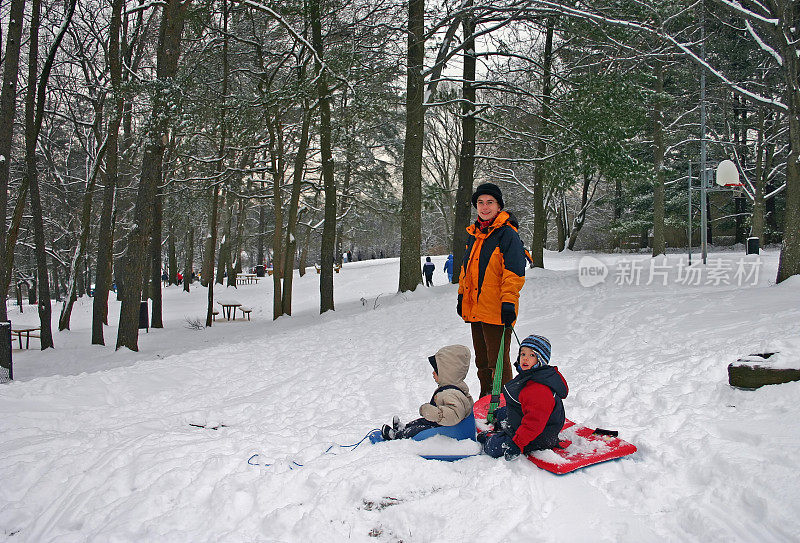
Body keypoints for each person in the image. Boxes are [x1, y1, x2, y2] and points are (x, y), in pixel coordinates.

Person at [457, 182, 526, 397]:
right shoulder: (475, 235)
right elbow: (465, 270)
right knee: (482, 362)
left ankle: (505, 404)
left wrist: (508, 302)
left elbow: (513, 273)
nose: (484, 207)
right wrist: (462, 297)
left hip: (497, 310)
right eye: (480, 202)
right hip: (477, 309)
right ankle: (486, 401)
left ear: (499, 206)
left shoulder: (507, 234)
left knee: (498, 363)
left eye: (490, 202)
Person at [480, 334, 568, 460]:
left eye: (532, 355)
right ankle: (504, 422)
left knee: (495, 447)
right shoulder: (530, 375)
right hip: (529, 419)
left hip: (538, 436)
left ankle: (491, 438)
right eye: (523, 354)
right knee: (503, 413)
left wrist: (517, 443)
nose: (525, 359)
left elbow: (534, 424)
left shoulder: (539, 389)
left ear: (541, 360)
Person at [381, 345, 474, 440]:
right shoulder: (451, 389)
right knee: (421, 422)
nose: (433, 373)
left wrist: (435, 413)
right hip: (441, 424)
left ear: (446, 372)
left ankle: (398, 436)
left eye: (436, 370)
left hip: (449, 430)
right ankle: (403, 428)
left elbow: (455, 415)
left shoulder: (451, 393)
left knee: (420, 430)